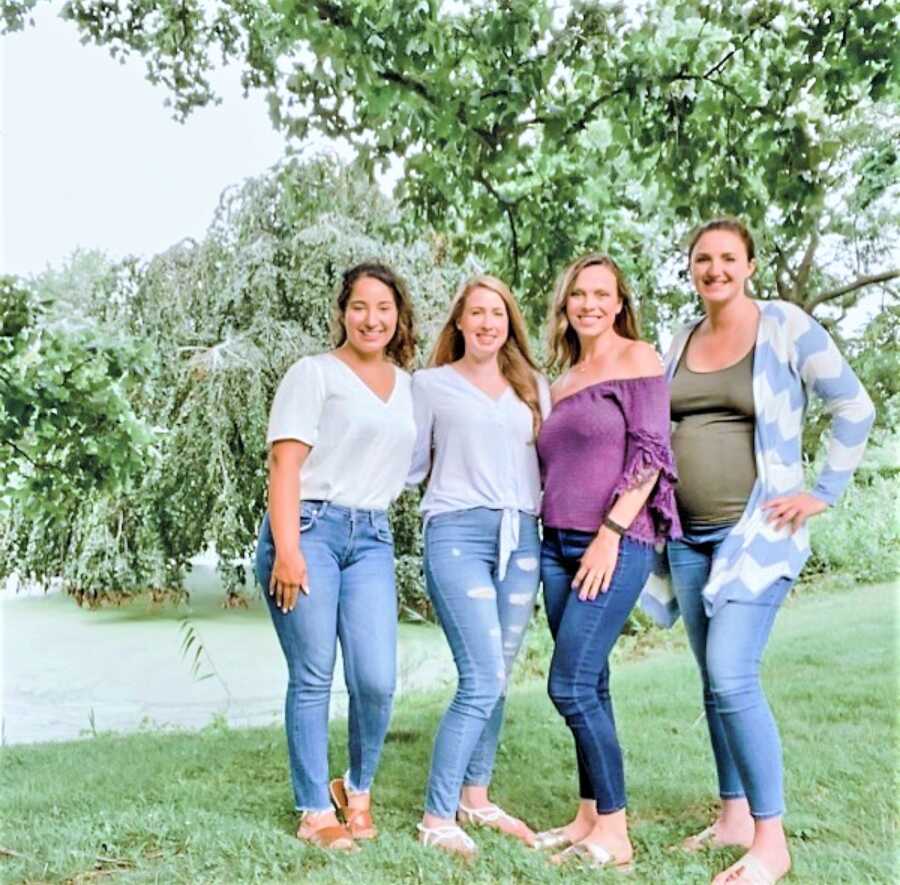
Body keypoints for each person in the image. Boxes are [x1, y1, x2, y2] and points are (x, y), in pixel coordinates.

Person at [644, 218, 875, 885]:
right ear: (690, 268)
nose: (714, 269)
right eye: (702, 259)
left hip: (756, 533)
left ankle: (771, 841)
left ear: (748, 264)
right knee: (713, 683)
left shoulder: (784, 325)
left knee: (731, 670)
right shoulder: (680, 340)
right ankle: (733, 816)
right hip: (686, 538)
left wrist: (822, 491)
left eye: (727, 258)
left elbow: (853, 406)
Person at [253, 262, 417, 851]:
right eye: (359, 307)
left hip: (372, 537)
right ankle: (313, 809)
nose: (372, 319)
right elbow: (285, 464)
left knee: (375, 679)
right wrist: (289, 550)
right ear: (342, 313)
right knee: (314, 674)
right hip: (311, 529)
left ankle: (357, 788)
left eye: (383, 308)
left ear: (398, 316)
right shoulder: (314, 374)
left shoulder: (407, 387)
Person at [534, 254, 680, 871]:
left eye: (603, 294)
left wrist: (611, 532)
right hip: (555, 545)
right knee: (590, 682)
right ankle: (589, 816)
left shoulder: (638, 359)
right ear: (565, 304)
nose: (590, 304)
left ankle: (615, 835)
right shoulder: (563, 379)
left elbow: (652, 454)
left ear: (620, 303)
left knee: (566, 684)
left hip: (616, 543)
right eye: (579, 295)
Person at [408, 274, 551, 859]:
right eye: (476, 313)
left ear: (509, 322)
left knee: (499, 678)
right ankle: (436, 815)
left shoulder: (533, 386)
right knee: (482, 676)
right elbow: (409, 463)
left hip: (522, 541)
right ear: (460, 323)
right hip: (457, 534)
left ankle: (476, 795)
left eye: (497, 313)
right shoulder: (430, 385)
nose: (488, 322)